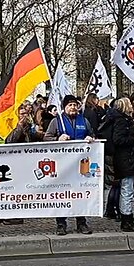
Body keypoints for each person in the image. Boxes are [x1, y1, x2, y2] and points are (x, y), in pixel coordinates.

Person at [44, 95, 95, 235]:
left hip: (80, 165)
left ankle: (81, 222)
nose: (73, 107)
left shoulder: (84, 121)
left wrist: (91, 138)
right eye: (70, 105)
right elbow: (46, 138)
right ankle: (61, 223)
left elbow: (92, 134)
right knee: (62, 194)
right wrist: (57, 139)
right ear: (64, 107)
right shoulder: (56, 122)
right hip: (62, 165)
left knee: (80, 193)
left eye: (74, 105)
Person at [97, 97, 134, 232]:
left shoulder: (122, 119)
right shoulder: (121, 120)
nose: (132, 105)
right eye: (129, 103)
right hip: (125, 159)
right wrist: (133, 138)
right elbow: (118, 140)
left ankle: (127, 216)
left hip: (126, 159)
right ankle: (126, 219)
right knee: (127, 190)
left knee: (126, 189)